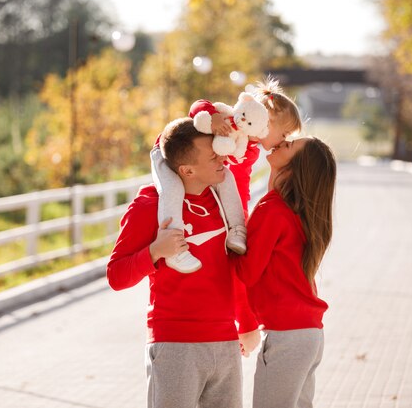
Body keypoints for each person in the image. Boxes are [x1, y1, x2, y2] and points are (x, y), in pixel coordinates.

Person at [107, 117, 260, 408]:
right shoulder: (149, 207)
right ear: (187, 170)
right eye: (213, 156)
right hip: (175, 345)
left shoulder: (224, 202)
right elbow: (116, 275)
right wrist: (154, 251)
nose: (222, 159)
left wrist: (247, 322)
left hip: (226, 343)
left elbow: (236, 269)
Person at [150, 77, 302, 273]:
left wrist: (241, 219)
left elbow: (240, 183)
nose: (284, 140)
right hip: (167, 154)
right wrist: (212, 117)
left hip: (194, 168)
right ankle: (174, 247)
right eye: (284, 133)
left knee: (228, 183)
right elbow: (198, 105)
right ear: (266, 121)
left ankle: (237, 230)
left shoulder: (249, 150)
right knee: (173, 190)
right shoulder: (230, 116)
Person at [235, 135, 337, 408]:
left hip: (287, 336)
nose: (281, 143)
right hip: (310, 334)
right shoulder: (296, 214)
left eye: (289, 145)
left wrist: (224, 246)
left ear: (295, 168)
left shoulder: (273, 210)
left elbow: (246, 272)